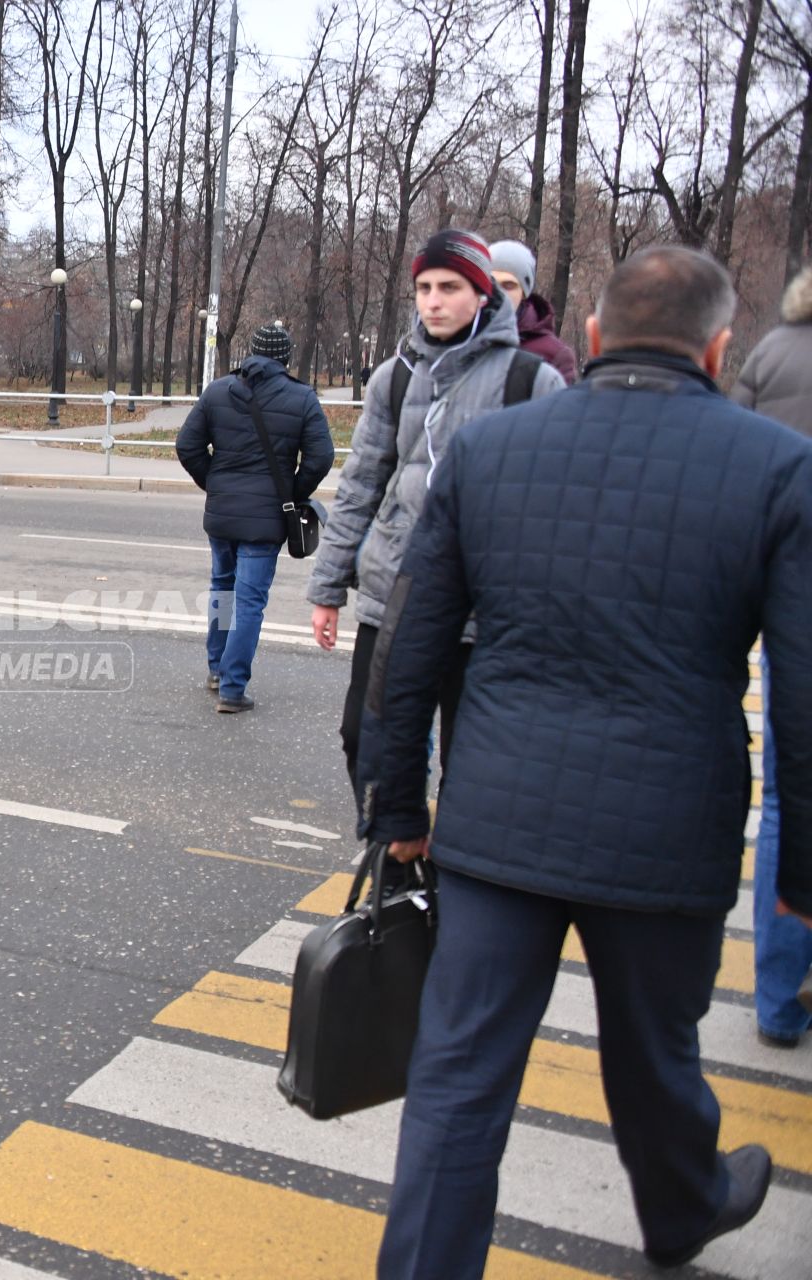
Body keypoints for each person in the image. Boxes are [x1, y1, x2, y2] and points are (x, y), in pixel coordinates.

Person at [357, 245, 812, 1276]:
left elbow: (413, 643)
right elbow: (804, 684)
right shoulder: (779, 466)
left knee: (460, 1075)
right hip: (668, 830)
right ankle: (685, 1208)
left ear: (595, 336)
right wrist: (804, 875)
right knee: (656, 1053)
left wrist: (396, 804)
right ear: (721, 347)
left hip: (497, 821)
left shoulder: (492, 451)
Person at [307, 229, 565, 801]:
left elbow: (553, 512)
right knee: (366, 740)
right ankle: (399, 860)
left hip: (486, 609)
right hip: (393, 595)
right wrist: (328, 588)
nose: (433, 300)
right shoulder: (394, 379)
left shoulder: (532, 382)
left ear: (481, 294)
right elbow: (359, 490)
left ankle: (452, 873)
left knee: (472, 760)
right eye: (424, 287)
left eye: (449, 287)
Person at [732, 262, 812, 1048]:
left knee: (789, 796)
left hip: (791, 596)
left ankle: (779, 998)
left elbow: (734, 470)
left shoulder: (775, 352)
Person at [176, 321, 334, 712]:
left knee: (222, 588)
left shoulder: (218, 391)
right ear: (284, 358)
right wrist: (291, 493)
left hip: (223, 513)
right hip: (265, 518)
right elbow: (322, 457)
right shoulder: (301, 398)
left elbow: (187, 445)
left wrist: (213, 482)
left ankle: (216, 669)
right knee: (249, 601)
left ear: (251, 352)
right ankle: (232, 688)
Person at [488, 239, 580, 383]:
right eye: (491, 284)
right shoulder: (464, 341)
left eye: (508, 286)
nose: (498, 294)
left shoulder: (554, 355)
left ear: (524, 292)